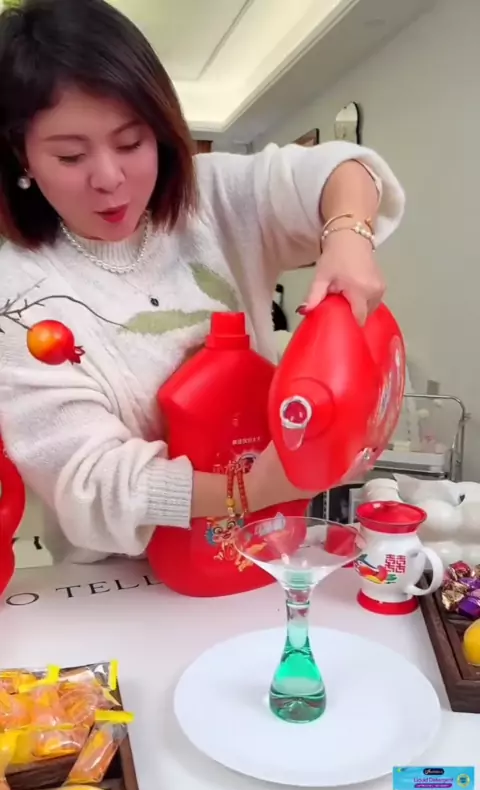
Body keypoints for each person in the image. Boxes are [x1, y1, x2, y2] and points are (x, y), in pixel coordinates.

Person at [0, 0, 405, 564]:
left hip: (265, 547)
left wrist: (348, 234)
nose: (109, 178)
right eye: (70, 156)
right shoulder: (18, 297)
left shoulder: (210, 199)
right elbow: (91, 480)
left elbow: (338, 168)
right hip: (128, 584)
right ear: (21, 153)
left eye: (131, 143)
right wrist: (255, 488)